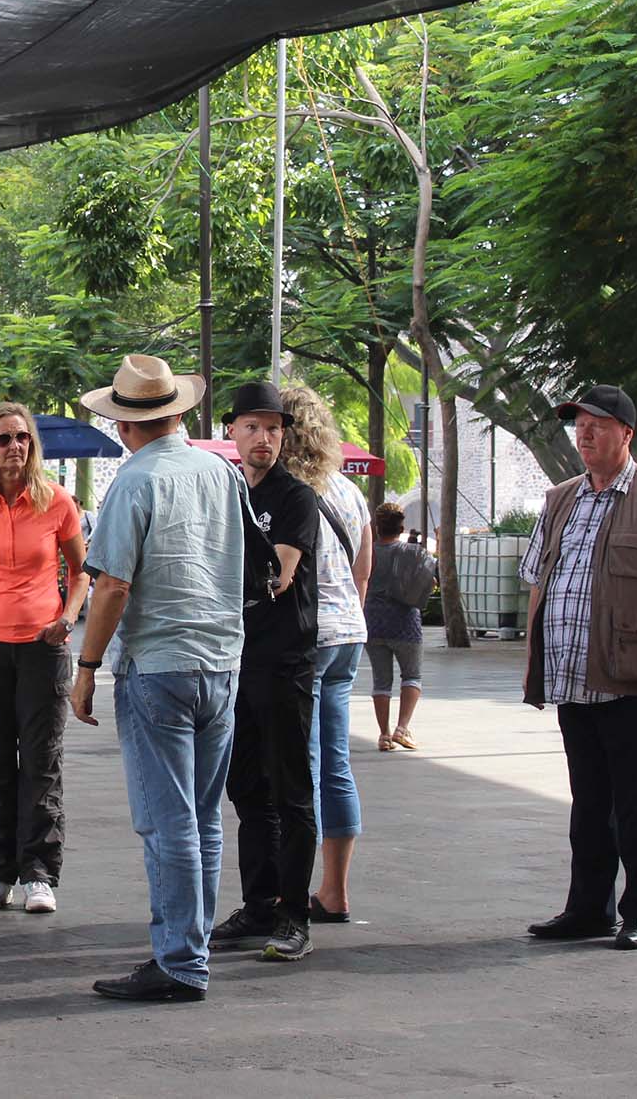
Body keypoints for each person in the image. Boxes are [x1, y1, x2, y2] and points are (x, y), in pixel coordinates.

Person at [70, 353, 245, 1005]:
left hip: (160, 664)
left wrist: (86, 668)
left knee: (167, 820)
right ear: (177, 411)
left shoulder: (133, 480)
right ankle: (189, 952)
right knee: (202, 818)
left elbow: (112, 582)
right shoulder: (222, 472)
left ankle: (180, 959)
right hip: (221, 662)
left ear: (124, 424)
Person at [518, 385, 637, 952]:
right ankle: (587, 908)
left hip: (631, 679)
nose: (585, 433)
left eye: (597, 423)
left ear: (626, 433)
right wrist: (536, 662)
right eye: (579, 423)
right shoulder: (560, 499)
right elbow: (538, 581)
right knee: (589, 802)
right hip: (573, 677)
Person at [0, 400, 88, 916]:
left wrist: (69, 616)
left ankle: (37, 873)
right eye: (4, 438)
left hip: (42, 647)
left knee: (41, 761)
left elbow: (81, 571)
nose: (14, 447)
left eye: (22, 438)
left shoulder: (57, 502)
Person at [209, 382, 323, 963]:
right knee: (247, 788)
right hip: (233, 659)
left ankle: (294, 914)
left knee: (291, 791)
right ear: (232, 431)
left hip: (284, 663)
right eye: (252, 427)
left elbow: (275, 575)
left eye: (274, 428)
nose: (263, 438)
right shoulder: (224, 491)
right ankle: (258, 905)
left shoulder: (295, 497)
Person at [278, 383, 371, 926]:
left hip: (307, 638)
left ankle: (290, 896)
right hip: (347, 635)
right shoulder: (347, 491)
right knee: (335, 763)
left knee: (301, 765)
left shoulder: (287, 492)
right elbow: (364, 569)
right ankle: (334, 890)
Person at [365, 502, 437, 752]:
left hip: (373, 621)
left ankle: (384, 735)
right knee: (412, 675)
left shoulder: (368, 552)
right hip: (406, 622)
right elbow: (431, 580)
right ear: (401, 526)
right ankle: (402, 728)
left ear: (377, 527)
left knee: (381, 680)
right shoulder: (413, 552)